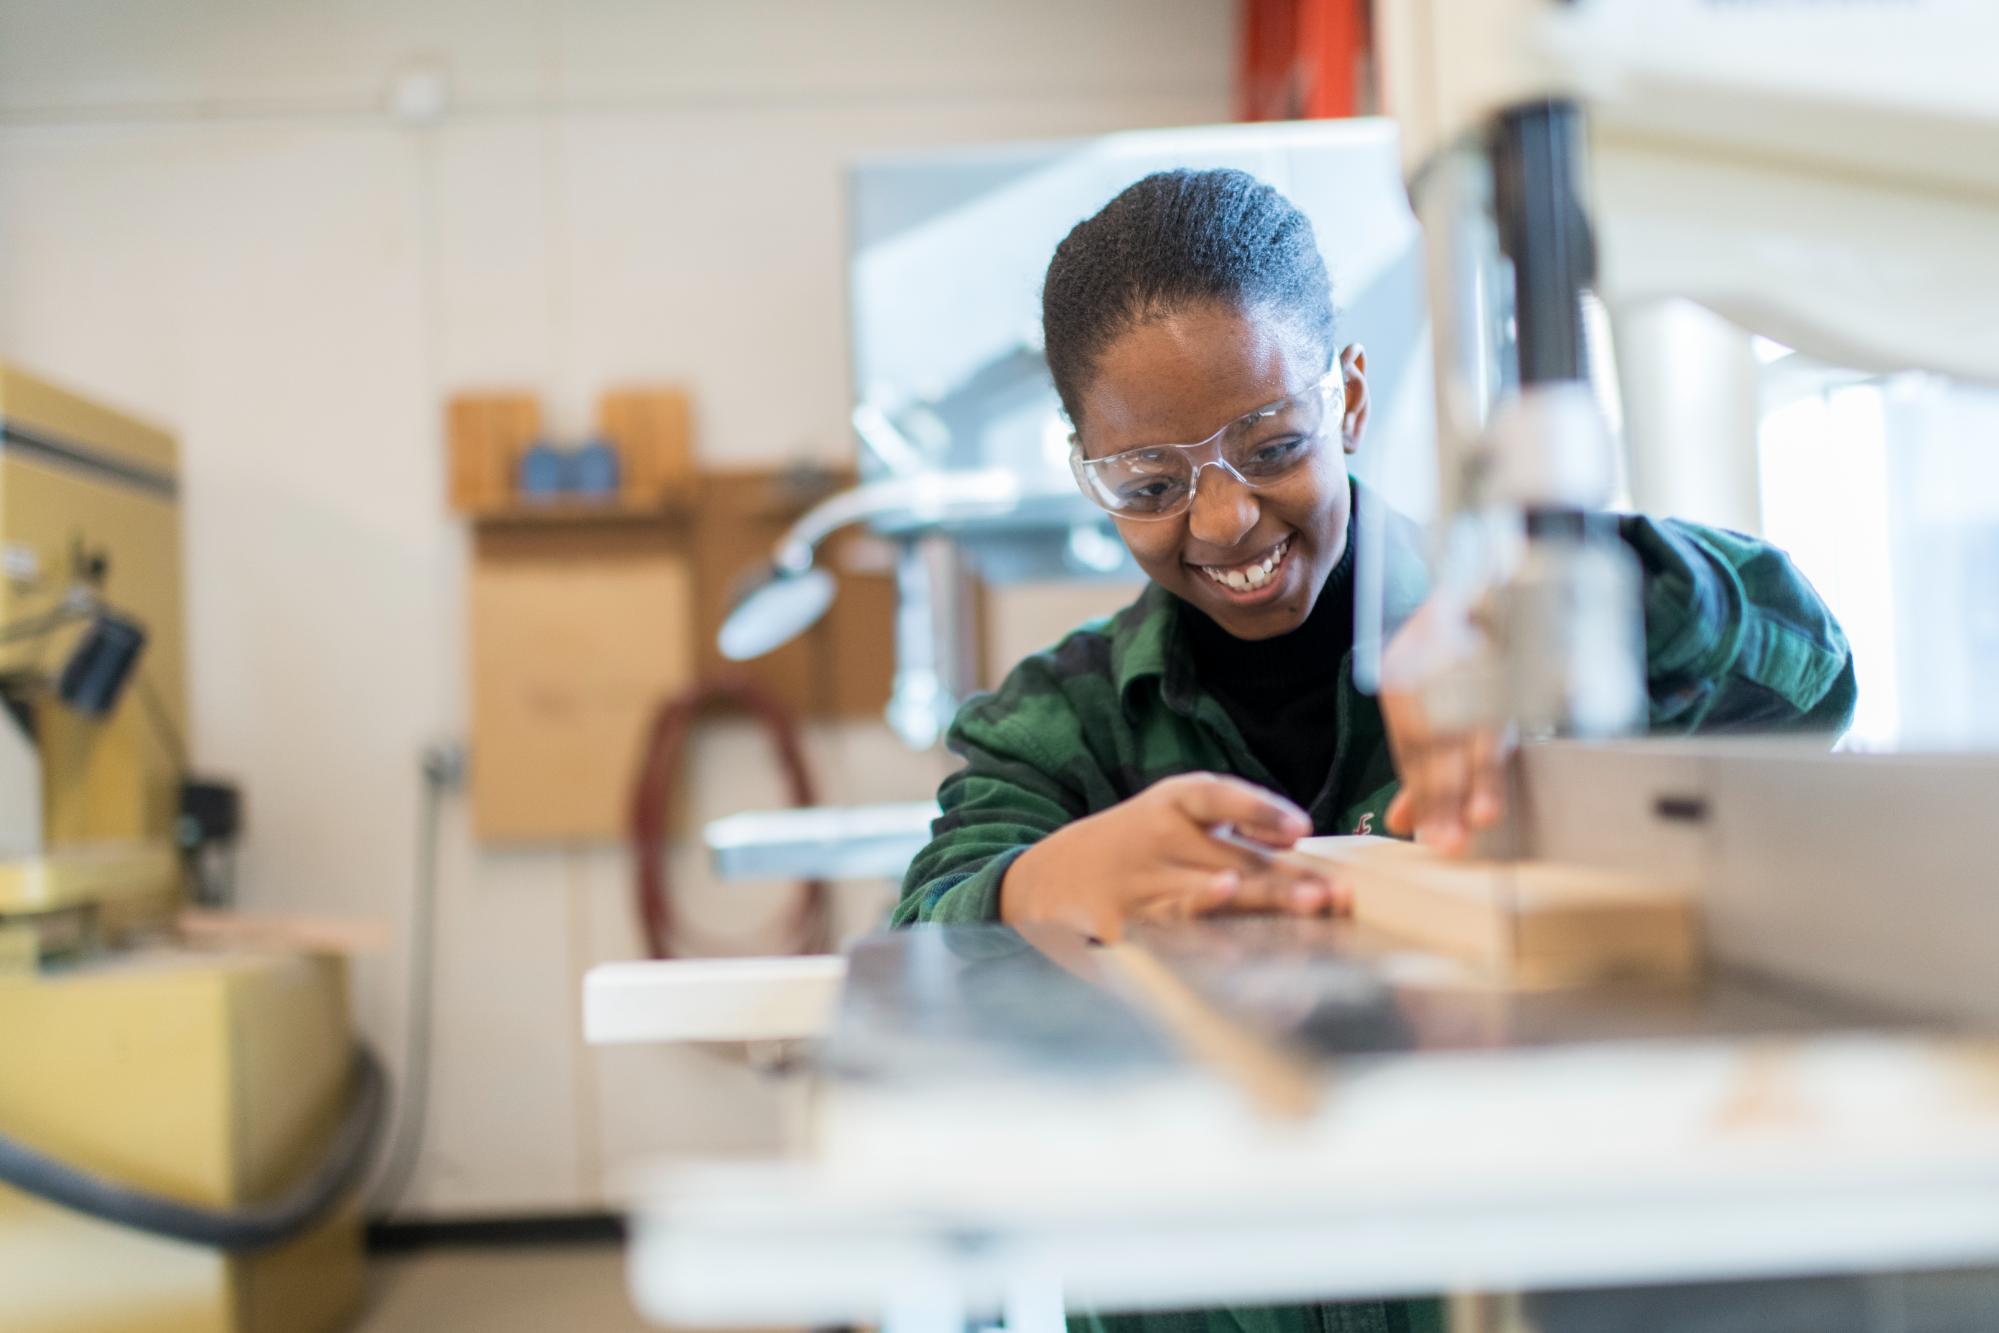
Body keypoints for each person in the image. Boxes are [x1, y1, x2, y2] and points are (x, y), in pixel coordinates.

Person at [893, 169, 1856, 1333]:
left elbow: (1809, 674)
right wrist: (1051, 881)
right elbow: (923, 940)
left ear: (1346, 400)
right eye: (1149, 483)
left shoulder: (1517, 629)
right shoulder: (1062, 725)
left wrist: (1571, 593)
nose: (1223, 519)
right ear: (1089, 474)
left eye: (1271, 443)